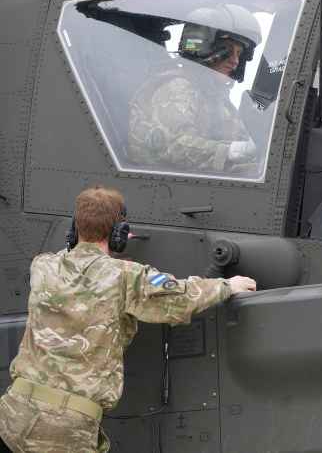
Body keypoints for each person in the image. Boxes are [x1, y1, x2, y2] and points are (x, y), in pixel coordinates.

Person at [0, 186, 256, 453]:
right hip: (63, 429)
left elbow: (72, 267)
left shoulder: (42, 266)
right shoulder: (126, 276)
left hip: (13, 416)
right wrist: (227, 285)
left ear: (74, 229)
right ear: (119, 234)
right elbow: (181, 296)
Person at [128, 3, 263, 175]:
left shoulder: (216, 97)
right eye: (228, 51)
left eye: (239, 54)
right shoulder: (177, 87)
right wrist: (230, 151)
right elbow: (172, 145)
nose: (235, 61)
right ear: (203, 48)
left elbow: (241, 141)